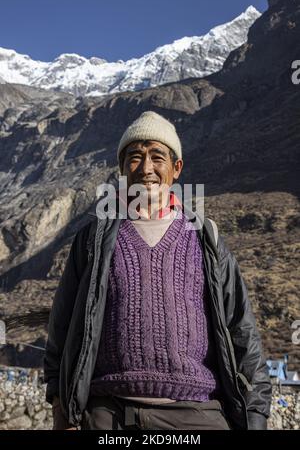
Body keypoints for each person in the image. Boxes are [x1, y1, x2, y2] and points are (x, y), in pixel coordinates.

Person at [44, 111, 272, 430]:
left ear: (176, 168)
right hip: (107, 414)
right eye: (135, 157)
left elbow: (241, 329)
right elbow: (62, 328)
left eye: (157, 157)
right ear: (122, 170)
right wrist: (61, 408)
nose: (146, 168)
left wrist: (256, 415)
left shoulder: (206, 237)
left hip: (198, 413)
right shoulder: (92, 240)